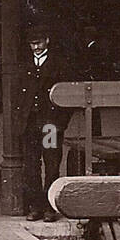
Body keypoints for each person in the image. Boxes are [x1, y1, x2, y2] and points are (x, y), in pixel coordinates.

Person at [16, 23, 71, 222]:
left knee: (51, 163)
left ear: (47, 40)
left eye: (39, 43)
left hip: (49, 125)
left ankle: (49, 208)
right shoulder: (24, 64)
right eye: (32, 44)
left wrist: (61, 122)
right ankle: (35, 206)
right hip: (30, 124)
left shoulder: (59, 64)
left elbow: (66, 96)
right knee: (31, 165)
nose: (36, 47)